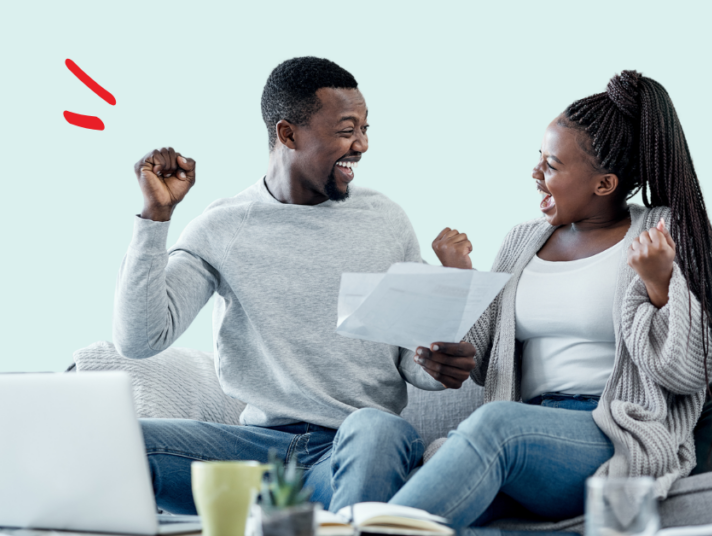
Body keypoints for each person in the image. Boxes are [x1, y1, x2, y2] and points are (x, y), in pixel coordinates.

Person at [112, 56, 478, 515]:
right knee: (120, 443)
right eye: (347, 130)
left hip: (355, 446)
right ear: (288, 134)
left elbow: (412, 360)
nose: (361, 145)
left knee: (379, 429)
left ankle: (347, 517)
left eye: (366, 129)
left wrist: (438, 366)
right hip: (255, 455)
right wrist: (155, 217)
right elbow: (139, 339)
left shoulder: (385, 221)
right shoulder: (222, 227)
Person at [391, 70, 712, 528]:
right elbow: (482, 364)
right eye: (538, 158)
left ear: (604, 184)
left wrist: (660, 287)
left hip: (610, 430)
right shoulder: (521, 242)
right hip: (529, 432)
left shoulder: (660, 232)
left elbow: (694, 371)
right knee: (438, 483)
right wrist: (461, 277)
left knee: (494, 426)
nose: (535, 174)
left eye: (552, 166)